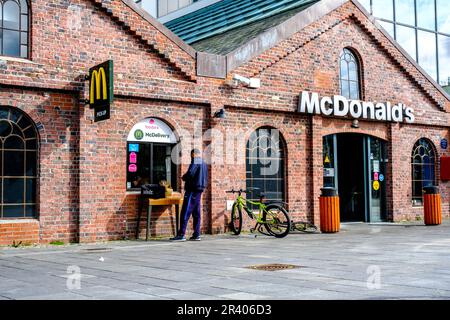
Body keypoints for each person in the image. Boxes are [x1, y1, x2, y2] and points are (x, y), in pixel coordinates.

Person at [171, 149, 208, 241]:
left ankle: (181, 234)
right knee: (196, 213)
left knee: (185, 211)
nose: (191, 157)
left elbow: (191, 173)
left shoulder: (196, 161)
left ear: (193, 154)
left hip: (192, 189)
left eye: (191, 155)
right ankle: (196, 234)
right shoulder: (203, 163)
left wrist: (184, 177)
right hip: (199, 189)